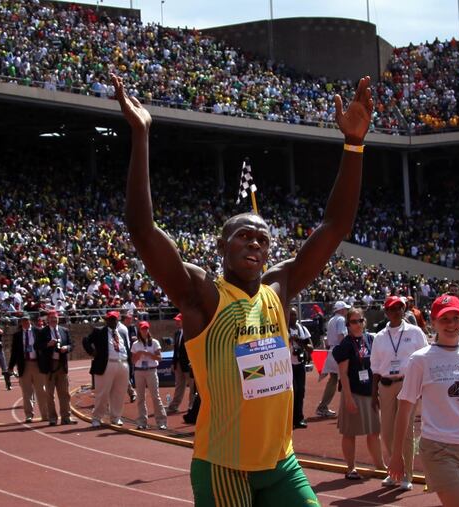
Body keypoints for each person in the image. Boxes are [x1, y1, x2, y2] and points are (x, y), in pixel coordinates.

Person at [114, 70, 373, 505]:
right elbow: (142, 229)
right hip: (224, 467)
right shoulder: (202, 295)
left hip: (281, 463)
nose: (255, 242)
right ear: (222, 247)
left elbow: (335, 226)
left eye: (263, 238)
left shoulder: (279, 288)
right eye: (244, 236)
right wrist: (140, 136)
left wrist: (354, 145)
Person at [389, 295, 459, 507]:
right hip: (438, 448)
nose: (451, 324)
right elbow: (405, 408)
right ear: (433, 322)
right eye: (444, 319)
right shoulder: (420, 360)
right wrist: (396, 455)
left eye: (456, 318)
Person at [370, 295, 427, 490]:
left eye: (399, 308)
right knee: (387, 432)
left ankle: (406, 476)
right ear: (386, 312)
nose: (396, 312)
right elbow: (375, 367)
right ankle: (394, 471)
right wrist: (373, 394)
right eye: (392, 309)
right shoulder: (379, 336)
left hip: (407, 385)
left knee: (407, 432)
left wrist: (422, 387)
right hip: (385, 386)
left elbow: (424, 360)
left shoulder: (415, 332)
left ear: (404, 310)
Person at [333, 307, 383, 480]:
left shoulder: (370, 339)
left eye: (360, 320)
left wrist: (376, 392)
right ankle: (351, 467)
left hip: (369, 391)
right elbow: (343, 374)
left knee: (374, 431)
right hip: (353, 392)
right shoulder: (346, 345)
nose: (357, 324)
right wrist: (347, 397)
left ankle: (380, 465)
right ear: (348, 324)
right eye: (353, 321)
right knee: (350, 433)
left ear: (364, 321)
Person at [82, 310, 131, 427]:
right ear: (106, 320)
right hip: (106, 364)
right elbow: (85, 340)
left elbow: (127, 348)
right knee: (102, 393)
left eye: (114, 319)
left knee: (119, 393)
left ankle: (116, 417)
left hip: (123, 364)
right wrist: (92, 352)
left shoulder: (122, 332)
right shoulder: (99, 331)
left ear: (117, 320)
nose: (112, 321)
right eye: (110, 319)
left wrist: (130, 364)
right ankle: (97, 418)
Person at [36, 310, 77, 425]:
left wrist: (67, 348)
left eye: (56, 318)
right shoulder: (43, 332)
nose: (54, 320)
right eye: (52, 318)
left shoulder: (64, 330)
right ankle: (52, 418)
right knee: (49, 394)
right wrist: (48, 344)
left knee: (64, 393)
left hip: (62, 365)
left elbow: (72, 344)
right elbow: (37, 346)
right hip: (49, 366)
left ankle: (66, 417)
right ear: (48, 320)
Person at [8, 313, 48, 423]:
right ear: (21, 322)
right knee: (27, 392)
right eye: (23, 321)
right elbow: (14, 352)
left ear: (30, 321)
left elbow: (44, 348)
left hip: (37, 364)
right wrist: (11, 367)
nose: (25, 323)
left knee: (41, 391)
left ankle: (45, 414)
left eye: (26, 320)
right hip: (24, 364)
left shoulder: (38, 332)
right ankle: (29, 415)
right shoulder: (17, 335)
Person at [130, 321, 168, 430]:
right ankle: (142, 422)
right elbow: (133, 360)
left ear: (148, 330)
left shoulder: (155, 342)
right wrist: (138, 354)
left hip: (151, 370)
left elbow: (159, 358)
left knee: (155, 397)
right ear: (139, 330)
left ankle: (161, 421)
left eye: (146, 329)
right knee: (140, 398)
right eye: (142, 329)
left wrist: (148, 354)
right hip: (139, 372)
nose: (144, 331)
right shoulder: (135, 344)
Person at [317, 301, 350, 418]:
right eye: (345, 309)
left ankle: (323, 406)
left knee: (334, 379)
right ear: (340, 310)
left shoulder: (332, 320)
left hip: (332, 351)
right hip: (338, 351)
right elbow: (341, 336)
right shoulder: (341, 320)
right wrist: (346, 350)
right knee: (346, 377)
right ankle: (348, 406)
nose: (347, 311)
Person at [289, 308, 313, 429]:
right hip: (287, 365)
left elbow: (311, 348)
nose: (293, 317)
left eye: (294, 315)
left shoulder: (302, 329)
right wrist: (289, 339)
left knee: (301, 392)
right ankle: (290, 419)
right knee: (293, 392)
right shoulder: (283, 328)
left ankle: (299, 418)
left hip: (300, 364)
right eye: (291, 314)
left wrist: (298, 340)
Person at [167, 313, 194, 414]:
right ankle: (174, 405)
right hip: (178, 364)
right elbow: (176, 349)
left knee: (192, 386)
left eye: (179, 320)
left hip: (188, 364)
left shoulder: (190, 332)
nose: (177, 322)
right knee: (179, 385)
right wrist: (173, 363)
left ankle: (191, 406)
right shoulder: (177, 333)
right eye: (176, 320)